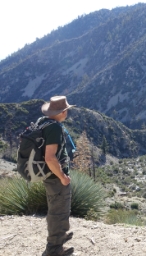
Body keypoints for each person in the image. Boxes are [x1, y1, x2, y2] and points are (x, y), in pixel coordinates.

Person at [41, 96, 75, 256]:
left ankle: (59, 237)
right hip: (55, 178)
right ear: (62, 112)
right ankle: (54, 249)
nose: (67, 111)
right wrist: (62, 176)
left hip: (49, 176)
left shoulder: (43, 122)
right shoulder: (54, 128)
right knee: (58, 211)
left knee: (57, 209)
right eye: (66, 109)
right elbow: (50, 157)